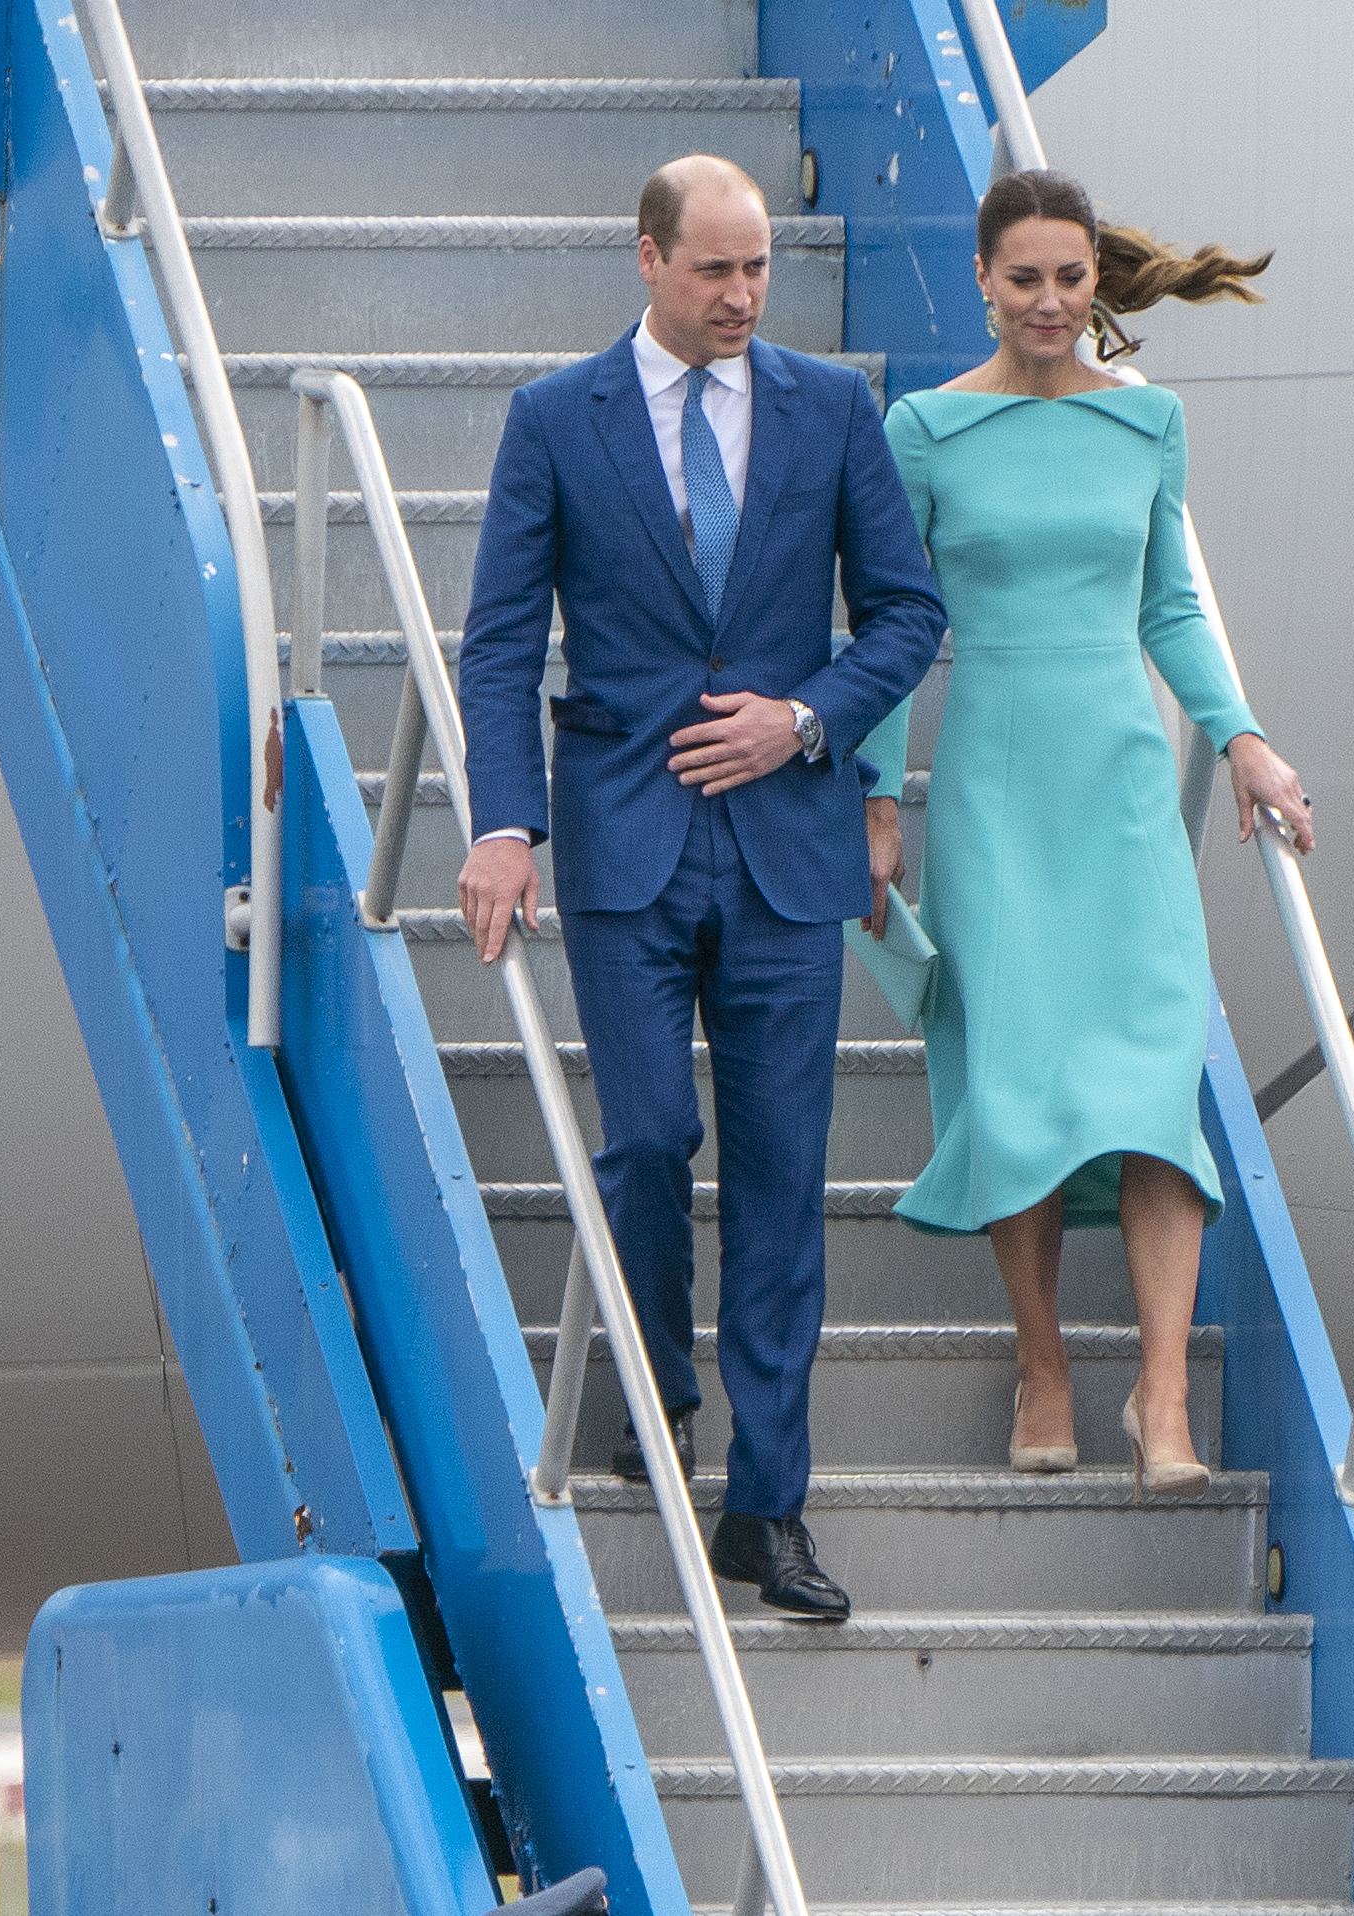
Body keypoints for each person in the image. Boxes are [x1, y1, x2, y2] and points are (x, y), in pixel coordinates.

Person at [456, 156, 945, 1619]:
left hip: (789, 847)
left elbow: (909, 611)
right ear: (649, 260)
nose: (741, 298)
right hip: (625, 837)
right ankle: (660, 1399)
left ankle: (768, 1507)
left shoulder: (831, 409)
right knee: (653, 1141)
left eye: (759, 273)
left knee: (786, 1182)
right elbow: (498, 644)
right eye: (715, 271)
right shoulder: (556, 420)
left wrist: (806, 722)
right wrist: (502, 825)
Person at [871, 169, 1313, 1499]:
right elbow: (898, 632)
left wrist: (1240, 736)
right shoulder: (928, 431)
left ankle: (1164, 1397)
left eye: (1071, 279)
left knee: (1149, 1089)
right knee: (1016, 1086)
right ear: (984, 283)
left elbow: (1171, 608)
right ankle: (1047, 1363)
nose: (1052, 302)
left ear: (1094, 282)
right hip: (998, 786)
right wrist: (877, 800)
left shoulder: (1150, 426)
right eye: (1026, 280)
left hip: (1124, 785)